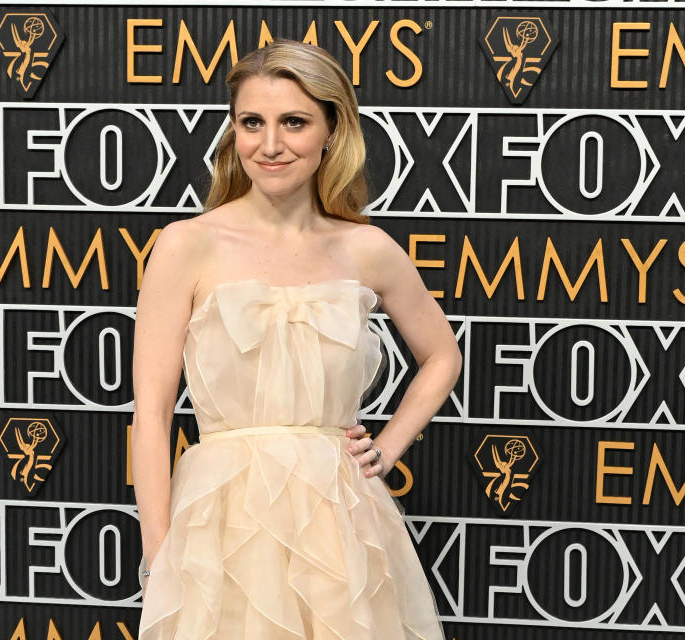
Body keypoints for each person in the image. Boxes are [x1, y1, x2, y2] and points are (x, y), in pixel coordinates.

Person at [132, 39, 462, 639]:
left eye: (295, 122)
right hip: (222, 522)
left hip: (339, 521)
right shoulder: (185, 244)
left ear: (333, 130)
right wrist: (159, 552)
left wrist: (386, 448)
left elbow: (442, 355)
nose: (271, 144)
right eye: (251, 122)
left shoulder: (368, 248)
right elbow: (151, 415)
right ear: (233, 132)